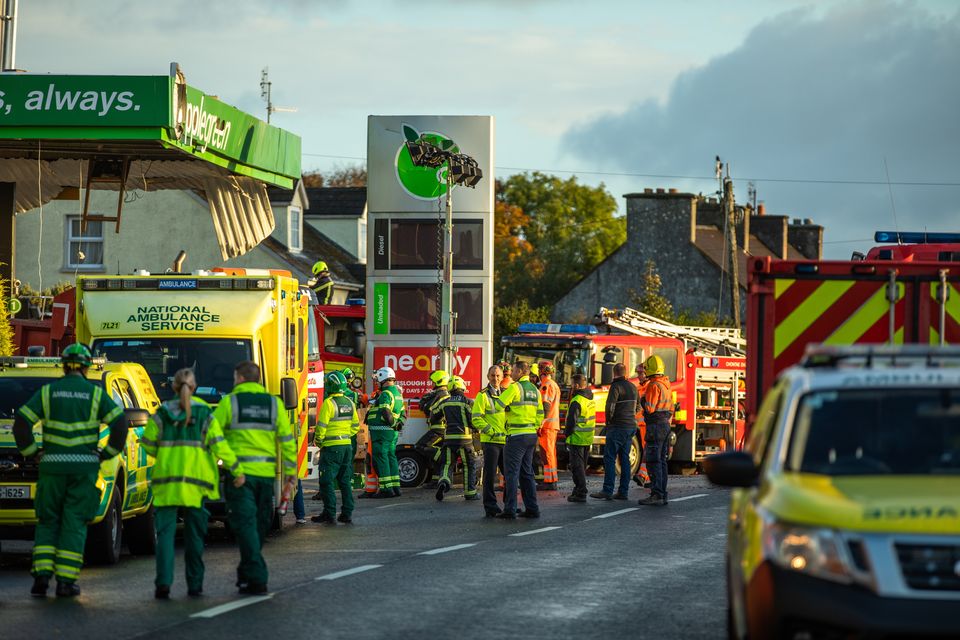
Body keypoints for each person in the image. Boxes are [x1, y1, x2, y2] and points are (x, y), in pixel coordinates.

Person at [13, 343, 129, 598]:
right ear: (87, 367)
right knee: (74, 523)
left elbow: (21, 423)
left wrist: (32, 452)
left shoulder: (48, 392)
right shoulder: (95, 395)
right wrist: (105, 453)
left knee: (48, 521)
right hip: (83, 469)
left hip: (52, 467)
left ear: (64, 366)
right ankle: (66, 582)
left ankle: (41, 577)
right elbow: (120, 423)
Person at [142, 368, 244, 599]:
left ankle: (163, 585)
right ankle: (194, 585)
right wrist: (237, 470)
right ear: (195, 387)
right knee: (195, 538)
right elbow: (220, 446)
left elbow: (147, 445)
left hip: (167, 484)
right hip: (196, 486)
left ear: (174, 387)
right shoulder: (205, 413)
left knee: (166, 538)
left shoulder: (161, 413)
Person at [212, 361, 297, 595]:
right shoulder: (274, 404)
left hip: (240, 477)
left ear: (239, 378)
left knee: (249, 526)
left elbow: (212, 435)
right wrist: (291, 471)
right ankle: (249, 573)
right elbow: (286, 439)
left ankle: (256, 576)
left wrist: (232, 464)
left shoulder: (229, 403)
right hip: (266, 477)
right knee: (257, 526)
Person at [311, 372, 360, 524]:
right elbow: (356, 427)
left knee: (326, 481)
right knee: (344, 481)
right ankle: (347, 513)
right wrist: (344, 436)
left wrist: (319, 441)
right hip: (346, 447)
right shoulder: (350, 403)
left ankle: (329, 512)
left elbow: (321, 427)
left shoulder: (329, 403)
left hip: (332, 448)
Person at [496, 361, 543, 519]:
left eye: (514, 370)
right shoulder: (536, 390)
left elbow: (499, 404)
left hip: (516, 435)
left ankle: (510, 509)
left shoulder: (515, 388)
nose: (511, 373)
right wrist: (533, 426)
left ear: (521, 372)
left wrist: (508, 408)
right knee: (527, 473)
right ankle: (532, 508)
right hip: (531, 434)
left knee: (511, 473)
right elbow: (540, 414)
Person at [591, 362, 637, 501]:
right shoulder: (633, 387)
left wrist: (609, 422)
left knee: (609, 458)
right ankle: (623, 492)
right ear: (625, 372)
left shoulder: (615, 386)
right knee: (625, 459)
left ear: (614, 373)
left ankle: (607, 490)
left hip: (617, 426)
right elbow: (638, 407)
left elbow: (609, 406)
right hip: (630, 426)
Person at [434, 376, 480, 502]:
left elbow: (434, 416)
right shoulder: (467, 402)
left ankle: (443, 483)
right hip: (465, 440)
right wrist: (476, 429)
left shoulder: (444, 402)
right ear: (463, 387)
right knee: (468, 465)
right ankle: (470, 493)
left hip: (449, 440)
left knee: (447, 464)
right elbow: (473, 420)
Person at [638, 355, 673, 506]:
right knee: (662, 461)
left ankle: (656, 494)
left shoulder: (653, 386)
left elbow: (650, 408)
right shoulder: (666, 384)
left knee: (653, 460)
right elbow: (670, 408)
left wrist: (643, 400)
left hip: (655, 426)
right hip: (665, 425)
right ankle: (662, 494)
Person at [472, 365, 506, 517]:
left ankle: (509, 504)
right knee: (490, 475)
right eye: (493, 375)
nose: (496, 378)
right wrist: (490, 431)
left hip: (505, 441)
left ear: (502, 376)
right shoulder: (482, 395)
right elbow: (476, 418)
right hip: (491, 441)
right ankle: (490, 506)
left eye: (498, 375)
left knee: (509, 475)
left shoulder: (506, 393)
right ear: (488, 377)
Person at [367, 366, 404, 498]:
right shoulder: (398, 394)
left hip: (381, 433)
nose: (377, 383)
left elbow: (385, 411)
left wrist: (393, 423)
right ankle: (395, 487)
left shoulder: (386, 394)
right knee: (391, 458)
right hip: (390, 433)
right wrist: (397, 425)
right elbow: (403, 414)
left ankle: (386, 489)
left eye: (378, 380)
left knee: (381, 458)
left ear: (383, 378)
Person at [564, 374, 595, 503]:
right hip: (587, 438)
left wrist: (567, 433)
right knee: (581, 466)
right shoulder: (590, 397)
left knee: (577, 467)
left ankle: (581, 491)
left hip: (577, 438)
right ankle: (579, 490)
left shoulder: (577, 399)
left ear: (576, 385)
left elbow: (572, 420)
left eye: (572, 384)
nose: (571, 387)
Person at [421, 370, 450, 485]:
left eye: (432, 382)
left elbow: (427, 409)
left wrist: (425, 402)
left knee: (421, 446)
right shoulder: (439, 394)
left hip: (439, 430)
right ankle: (435, 480)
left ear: (439, 381)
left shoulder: (442, 395)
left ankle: (443, 457)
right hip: (438, 429)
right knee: (433, 455)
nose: (431, 384)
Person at [537, 361, 561, 489]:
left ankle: (550, 482)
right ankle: (551, 480)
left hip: (547, 426)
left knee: (547, 453)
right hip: (552, 425)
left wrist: (540, 423)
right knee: (551, 452)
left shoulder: (546, 385)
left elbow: (545, 406)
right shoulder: (553, 384)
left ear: (540, 371)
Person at [632, 363, 651, 489]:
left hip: (649, 425)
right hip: (642, 425)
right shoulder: (641, 387)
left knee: (648, 450)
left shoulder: (650, 387)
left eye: (640, 373)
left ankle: (646, 476)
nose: (638, 376)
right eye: (637, 373)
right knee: (646, 451)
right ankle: (645, 476)